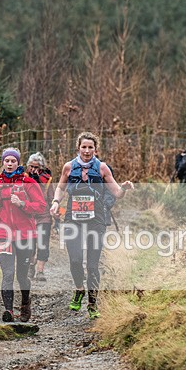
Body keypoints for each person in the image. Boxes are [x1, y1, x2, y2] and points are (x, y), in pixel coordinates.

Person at [49, 132, 134, 319]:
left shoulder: (102, 168)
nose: (87, 151)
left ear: (96, 149)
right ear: (78, 148)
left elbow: (117, 193)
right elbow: (61, 188)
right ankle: (79, 289)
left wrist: (125, 188)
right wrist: (56, 202)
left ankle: (92, 303)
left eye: (90, 147)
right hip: (73, 218)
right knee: (75, 259)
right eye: (84, 147)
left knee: (93, 265)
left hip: (96, 219)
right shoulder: (69, 167)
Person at [0, 147, 46, 323]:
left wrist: (22, 204)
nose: (9, 164)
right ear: (3, 162)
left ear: (18, 163)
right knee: (8, 274)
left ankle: (25, 304)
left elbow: (41, 207)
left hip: (25, 236)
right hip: (4, 234)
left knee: (22, 276)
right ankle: (8, 311)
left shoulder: (29, 183)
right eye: (6, 161)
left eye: (13, 161)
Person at [25, 152, 54, 283]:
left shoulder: (47, 180)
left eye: (37, 167)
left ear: (41, 168)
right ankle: (31, 265)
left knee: (42, 243)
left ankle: (40, 270)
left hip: (44, 216)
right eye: (31, 166)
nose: (34, 170)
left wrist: (58, 213)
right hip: (28, 216)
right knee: (29, 244)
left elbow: (52, 199)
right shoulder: (23, 179)